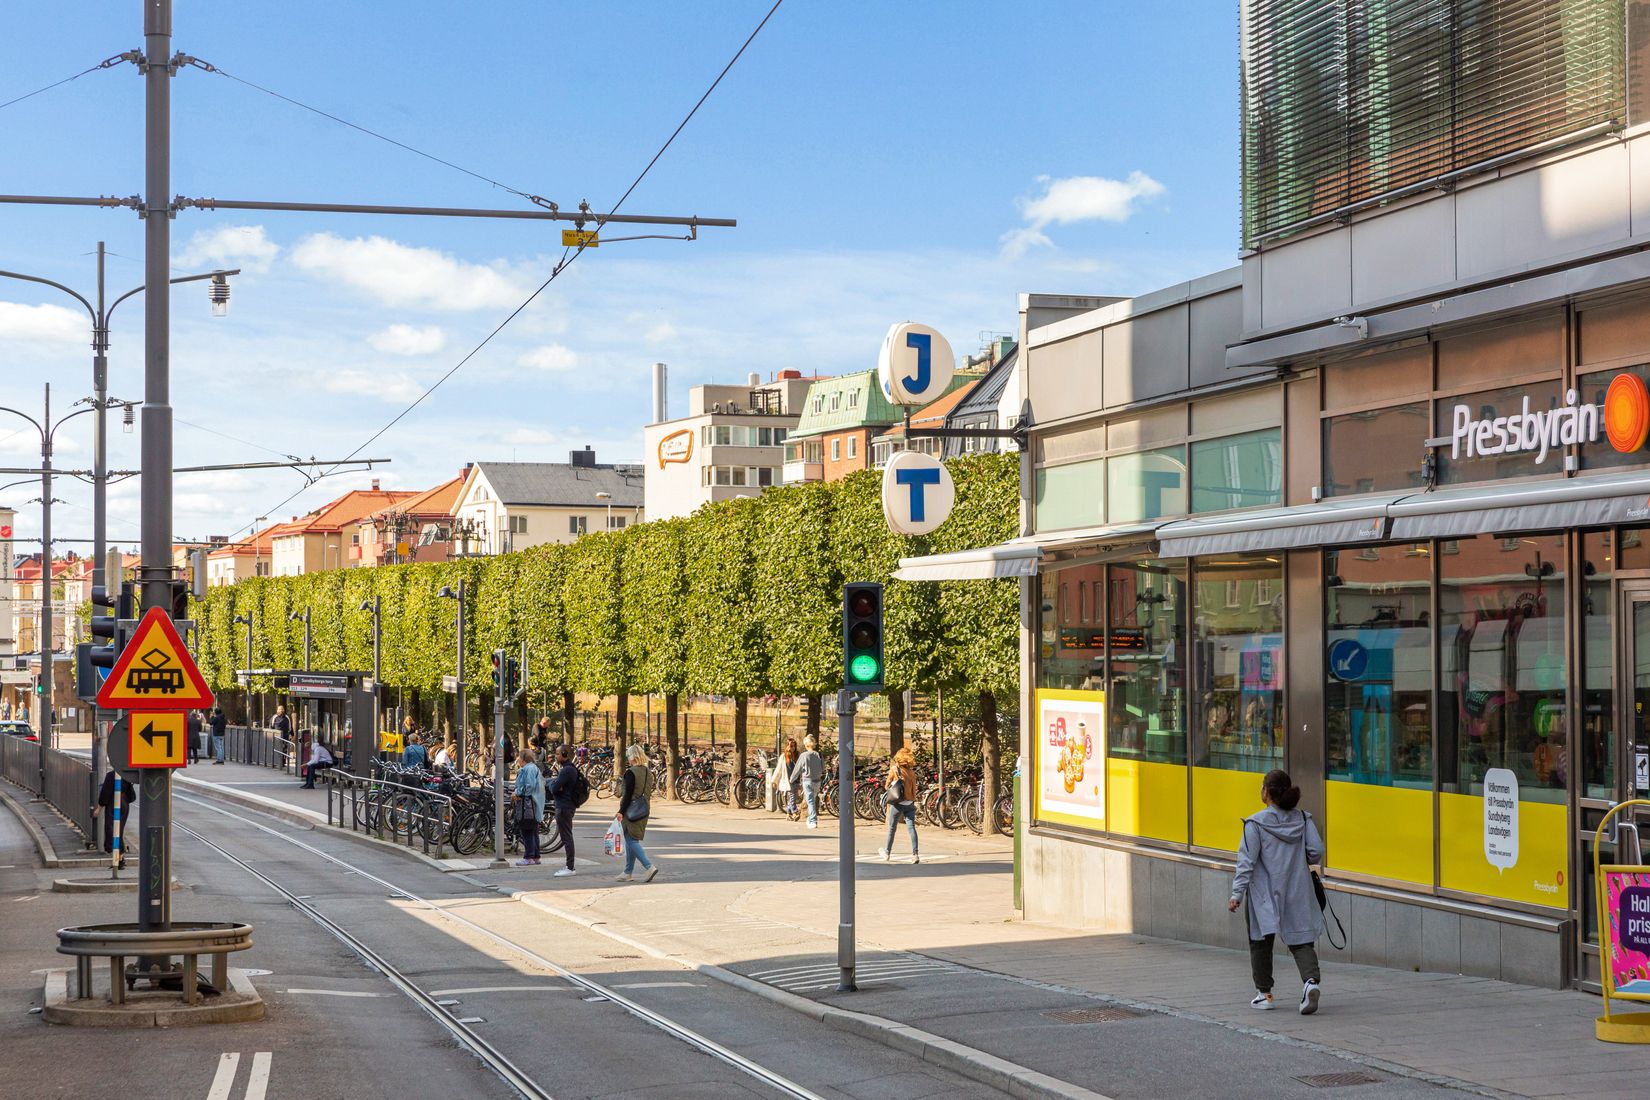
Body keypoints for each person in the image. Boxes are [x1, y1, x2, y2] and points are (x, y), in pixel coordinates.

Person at [1229, 768, 1325, 1015]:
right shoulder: (1303, 819)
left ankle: (1265, 994)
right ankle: (1310, 982)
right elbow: (1316, 851)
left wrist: (1236, 894)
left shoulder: (1255, 823)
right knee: (1302, 939)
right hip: (1296, 887)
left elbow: (1246, 862)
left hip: (1264, 892)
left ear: (1266, 793)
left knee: (1261, 940)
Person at [615, 742, 657, 882]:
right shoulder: (648, 772)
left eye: (628, 756)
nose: (627, 758)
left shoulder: (630, 773)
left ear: (633, 757)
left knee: (631, 840)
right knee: (631, 839)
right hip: (644, 809)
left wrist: (621, 811)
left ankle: (649, 866)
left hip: (631, 810)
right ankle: (628, 872)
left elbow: (627, 795)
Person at [879, 745, 920, 863]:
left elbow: (887, 786)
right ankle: (915, 854)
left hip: (898, 803)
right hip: (910, 803)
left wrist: (893, 785)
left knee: (892, 828)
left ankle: (887, 852)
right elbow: (914, 789)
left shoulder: (894, 769)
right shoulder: (912, 772)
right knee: (911, 827)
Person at [546, 743, 580, 877]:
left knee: (566, 837)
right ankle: (569, 866)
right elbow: (556, 785)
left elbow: (554, 788)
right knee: (566, 836)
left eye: (558, 753)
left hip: (564, 806)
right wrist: (555, 784)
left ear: (565, 755)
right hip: (566, 805)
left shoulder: (567, 770)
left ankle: (570, 867)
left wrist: (554, 784)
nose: (556, 756)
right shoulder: (570, 769)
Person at [513, 747, 545, 867]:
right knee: (533, 830)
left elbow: (529, 786)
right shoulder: (534, 767)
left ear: (523, 759)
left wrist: (518, 793)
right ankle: (536, 856)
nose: (517, 760)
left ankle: (529, 857)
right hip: (535, 802)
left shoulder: (527, 769)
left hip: (528, 804)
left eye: (519, 758)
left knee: (527, 830)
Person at [790, 735, 824, 829]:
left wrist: (792, 779)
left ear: (806, 745)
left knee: (810, 801)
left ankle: (813, 820)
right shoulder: (819, 754)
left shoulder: (803, 755)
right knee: (812, 799)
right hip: (817, 781)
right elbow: (823, 768)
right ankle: (810, 818)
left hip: (807, 781)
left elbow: (797, 769)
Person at [779, 738, 800, 820]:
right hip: (788, 780)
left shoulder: (797, 755)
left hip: (796, 779)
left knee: (792, 796)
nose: (793, 748)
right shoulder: (783, 757)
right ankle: (794, 812)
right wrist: (774, 780)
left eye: (794, 746)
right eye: (791, 746)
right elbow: (778, 769)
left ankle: (788, 814)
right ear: (787, 746)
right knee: (792, 796)